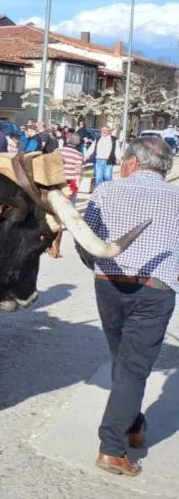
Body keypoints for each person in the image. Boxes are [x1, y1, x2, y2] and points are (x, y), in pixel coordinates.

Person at [78, 137, 179, 477]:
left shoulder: (106, 191)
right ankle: (112, 448)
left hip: (108, 286)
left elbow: (87, 241)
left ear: (133, 163)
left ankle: (133, 423)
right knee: (133, 368)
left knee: (124, 362)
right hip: (155, 289)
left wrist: (97, 267)